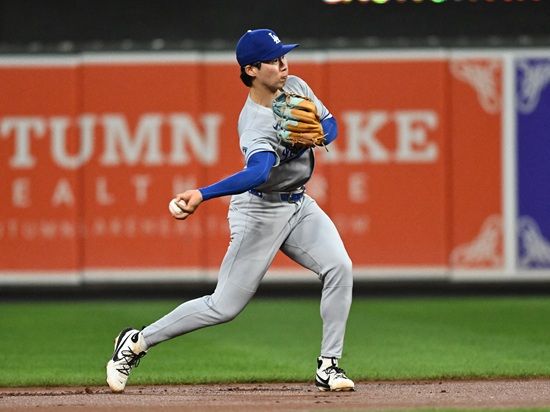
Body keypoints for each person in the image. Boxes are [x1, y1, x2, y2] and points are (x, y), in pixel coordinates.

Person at [106, 28, 354, 393]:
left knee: (340, 267)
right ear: (251, 70)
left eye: (284, 56)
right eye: (273, 61)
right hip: (259, 211)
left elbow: (330, 124)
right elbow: (258, 173)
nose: (283, 65)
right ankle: (135, 343)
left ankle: (328, 366)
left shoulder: (296, 86)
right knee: (223, 306)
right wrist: (202, 193)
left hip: (299, 204)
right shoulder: (254, 124)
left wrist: (319, 134)